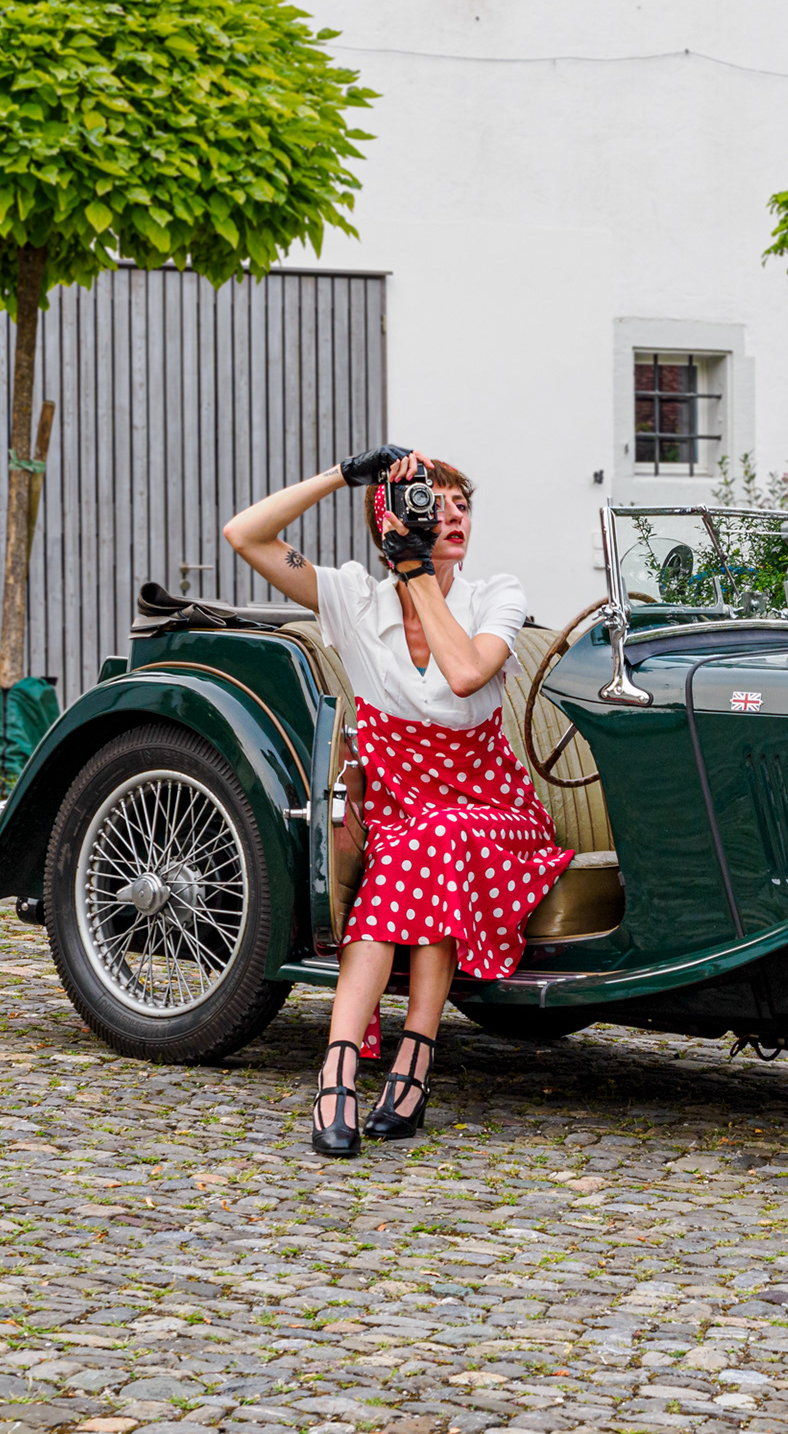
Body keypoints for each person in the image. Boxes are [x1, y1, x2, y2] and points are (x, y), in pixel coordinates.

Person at [222, 447, 573, 1157]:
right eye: (430, 505)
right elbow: (245, 535)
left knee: (432, 839)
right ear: (390, 522)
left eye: (460, 505)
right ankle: (401, 1068)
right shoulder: (352, 598)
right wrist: (345, 475)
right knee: (422, 845)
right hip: (400, 815)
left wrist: (419, 576)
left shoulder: (495, 596)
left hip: (496, 813)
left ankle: (340, 1075)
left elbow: (467, 673)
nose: (451, 517)